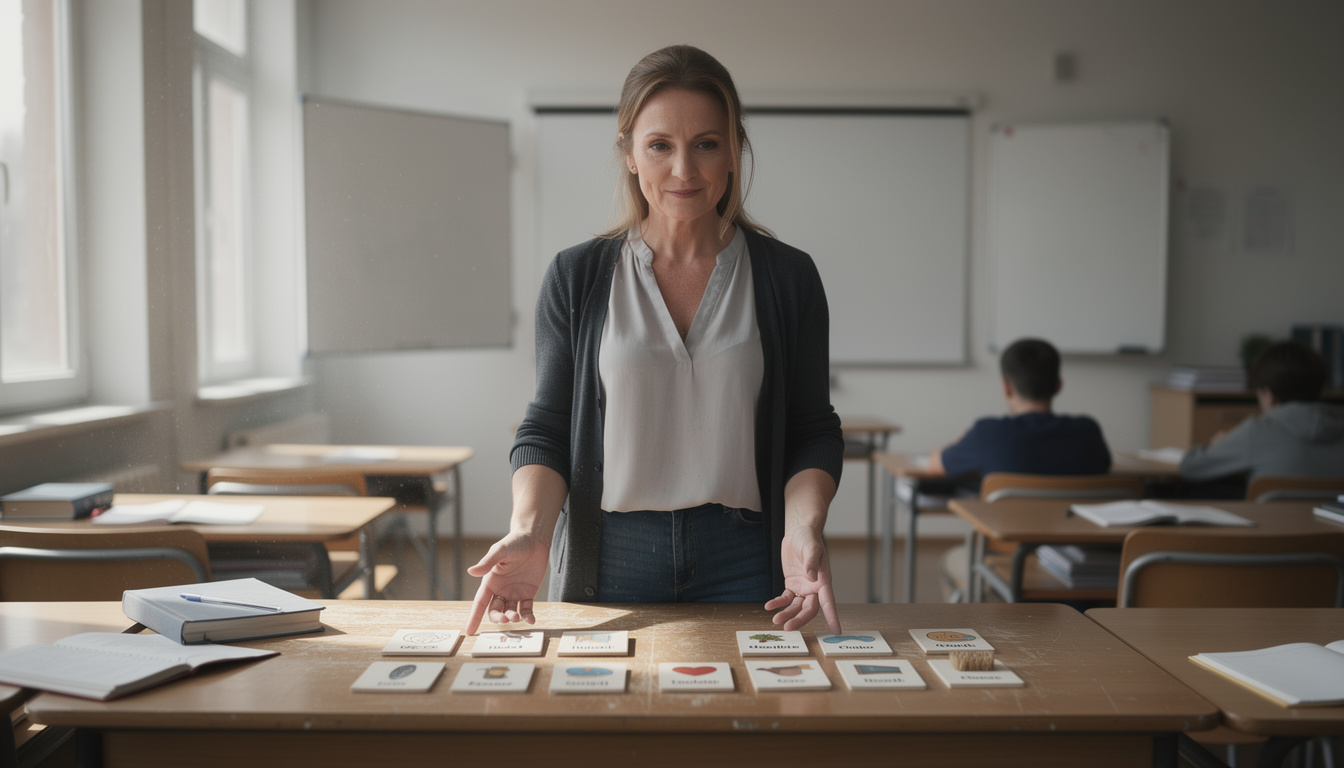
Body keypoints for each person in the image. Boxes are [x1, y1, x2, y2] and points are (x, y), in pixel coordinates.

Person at [465, 45, 844, 636]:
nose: (685, 171)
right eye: (660, 145)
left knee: (740, 716)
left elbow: (811, 430)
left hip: (747, 551)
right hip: (612, 548)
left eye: (707, 145)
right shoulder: (578, 276)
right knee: (603, 719)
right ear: (629, 153)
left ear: (734, 152)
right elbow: (546, 427)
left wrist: (803, 528)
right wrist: (531, 532)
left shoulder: (787, 277)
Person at [925, 337, 1112, 484]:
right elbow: (1105, 467)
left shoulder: (988, 433)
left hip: (1008, 532)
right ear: (1058, 386)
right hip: (1078, 532)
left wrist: (959, 442)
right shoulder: (1088, 431)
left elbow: (934, 465)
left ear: (1006, 387)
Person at [1180, 340, 1344, 482]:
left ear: (1269, 395)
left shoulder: (1257, 431)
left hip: (1270, 519)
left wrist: (1214, 445)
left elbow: (1190, 467)